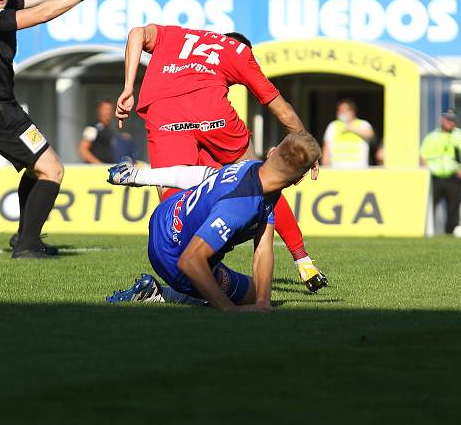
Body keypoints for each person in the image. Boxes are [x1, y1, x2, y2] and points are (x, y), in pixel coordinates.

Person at [116, 25, 326, 291]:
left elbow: (136, 33)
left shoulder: (177, 35)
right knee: (261, 180)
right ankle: (303, 260)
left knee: (174, 202)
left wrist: (128, 87)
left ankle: (189, 271)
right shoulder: (239, 52)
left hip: (165, 115)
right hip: (214, 116)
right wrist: (305, 149)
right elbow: (282, 109)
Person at [0, 0, 116, 259]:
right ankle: (27, 245)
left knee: (38, 170)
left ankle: (25, 237)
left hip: (4, 108)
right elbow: (43, 12)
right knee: (53, 169)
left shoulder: (6, 3)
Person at [106, 132, 322, 311]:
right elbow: (189, 261)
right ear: (297, 180)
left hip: (167, 212)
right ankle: (158, 293)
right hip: (171, 255)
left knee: (257, 293)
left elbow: (264, 247)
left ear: (272, 152)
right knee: (230, 295)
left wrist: (263, 302)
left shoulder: (256, 169)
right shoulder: (239, 206)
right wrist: (232, 311)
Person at [420, 108, 461, 235]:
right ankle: (427, 232)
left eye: (452, 120)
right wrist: (426, 172)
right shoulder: (433, 136)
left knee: (453, 209)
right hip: (435, 177)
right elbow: (423, 155)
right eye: (447, 119)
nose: (449, 123)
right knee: (429, 207)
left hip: (453, 177)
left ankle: (449, 233)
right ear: (442, 120)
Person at [321, 98, 375, 168]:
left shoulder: (363, 124)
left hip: (359, 169)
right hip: (336, 169)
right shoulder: (333, 125)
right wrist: (325, 166)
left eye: (344, 110)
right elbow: (326, 148)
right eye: (339, 110)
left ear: (352, 111)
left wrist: (351, 128)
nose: (340, 113)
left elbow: (371, 135)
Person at [79, 100, 118, 164]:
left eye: (109, 109)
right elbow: (83, 150)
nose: (107, 112)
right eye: (104, 109)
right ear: (99, 110)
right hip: (96, 170)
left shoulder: (111, 130)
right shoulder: (92, 128)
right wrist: (99, 165)